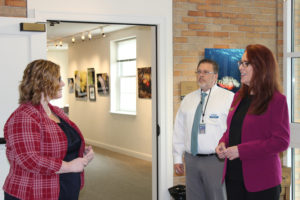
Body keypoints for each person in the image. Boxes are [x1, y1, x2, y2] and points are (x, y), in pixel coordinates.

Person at [3, 59, 94, 200]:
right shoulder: (24, 116)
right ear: (43, 83)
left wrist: (81, 153)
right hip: (33, 192)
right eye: (58, 79)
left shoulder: (57, 112)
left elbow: (60, 144)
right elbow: (29, 159)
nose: (63, 83)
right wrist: (69, 166)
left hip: (65, 188)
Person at [215, 44, 290, 200]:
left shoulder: (277, 100)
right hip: (233, 177)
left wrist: (241, 150)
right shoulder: (238, 97)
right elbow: (232, 130)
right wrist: (223, 142)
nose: (240, 68)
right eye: (240, 63)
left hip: (262, 181)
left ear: (261, 66)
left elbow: (281, 142)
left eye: (245, 63)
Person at [173, 58, 234, 200]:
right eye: (199, 72)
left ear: (215, 76)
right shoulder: (188, 99)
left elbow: (233, 129)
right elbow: (179, 130)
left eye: (206, 72)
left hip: (215, 161)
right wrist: (177, 157)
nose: (201, 75)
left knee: (216, 197)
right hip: (191, 160)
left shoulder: (228, 98)